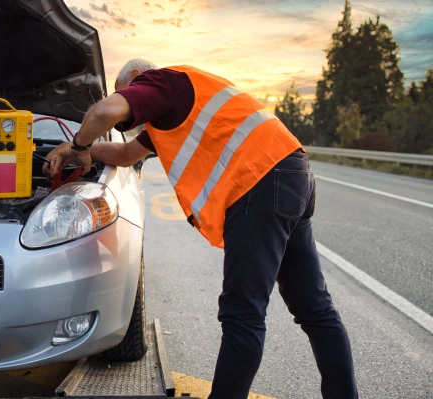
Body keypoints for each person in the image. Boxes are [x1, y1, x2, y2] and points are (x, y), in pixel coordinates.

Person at [43, 59, 359, 399]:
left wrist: (76, 144)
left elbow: (104, 113)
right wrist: (82, 152)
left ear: (136, 80)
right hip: (292, 171)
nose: (133, 119)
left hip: (259, 181)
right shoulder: (177, 107)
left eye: (128, 95)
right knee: (315, 310)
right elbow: (124, 153)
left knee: (243, 315)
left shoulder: (162, 83)